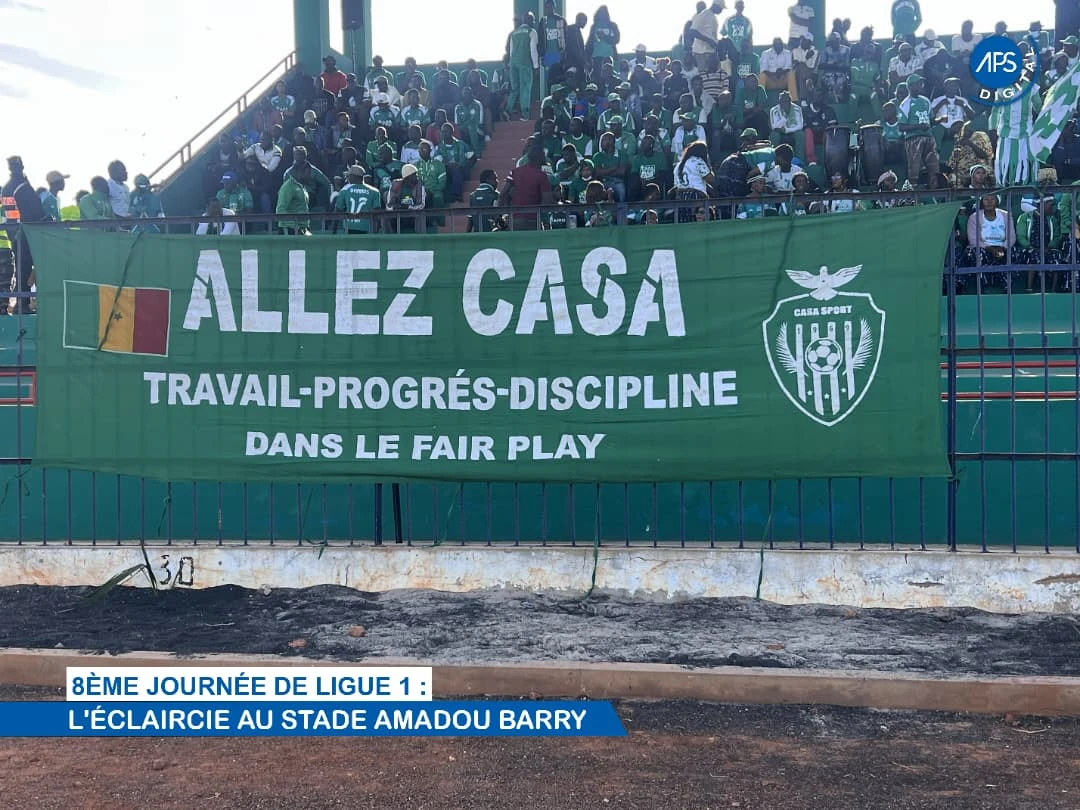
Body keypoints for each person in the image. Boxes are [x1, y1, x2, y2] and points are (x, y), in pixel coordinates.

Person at [1, 156, 45, 312]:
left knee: (25, 268)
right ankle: (22, 303)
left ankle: (24, 302)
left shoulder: (15, 186)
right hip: (23, 234)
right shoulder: (17, 187)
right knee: (24, 268)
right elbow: (25, 212)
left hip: (21, 233)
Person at [898, 74, 938, 187]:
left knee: (934, 168)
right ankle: (913, 195)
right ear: (910, 86)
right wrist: (918, 127)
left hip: (929, 137)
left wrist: (939, 120)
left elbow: (931, 120)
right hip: (913, 139)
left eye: (921, 83)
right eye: (918, 84)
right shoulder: (905, 104)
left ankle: (935, 192)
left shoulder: (926, 100)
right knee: (914, 169)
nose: (921, 86)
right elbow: (901, 127)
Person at [501, 145, 552, 230]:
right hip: (533, 220)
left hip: (515, 220)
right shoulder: (542, 175)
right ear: (539, 157)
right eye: (543, 155)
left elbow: (503, 194)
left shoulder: (514, 172)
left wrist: (501, 215)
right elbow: (547, 201)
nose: (545, 157)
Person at [966, 193, 1016, 267]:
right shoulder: (974, 217)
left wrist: (1002, 247)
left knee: (1014, 254)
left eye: (992, 199)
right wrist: (989, 248)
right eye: (986, 199)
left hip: (1002, 247)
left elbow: (1011, 238)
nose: (989, 202)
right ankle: (981, 278)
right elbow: (973, 240)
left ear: (997, 201)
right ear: (982, 202)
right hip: (983, 248)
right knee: (978, 254)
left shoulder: (1006, 215)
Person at [333, 164, 382, 234]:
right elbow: (377, 214)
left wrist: (334, 231)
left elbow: (337, 210)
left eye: (349, 176)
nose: (348, 179)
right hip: (367, 228)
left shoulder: (345, 189)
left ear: (354, 177)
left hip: (349, 227)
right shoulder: (375, 191)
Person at [508, 13, 540, 121]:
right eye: (533, 21)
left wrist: (512, 63)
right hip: (525, 63)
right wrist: (536, 67)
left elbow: (511, 52)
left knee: (514, 89)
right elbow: (533, 50)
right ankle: (525, 114)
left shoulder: (514, 33)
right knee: (525, 88)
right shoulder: (532, 32)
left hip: (513, 63)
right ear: (530, 21)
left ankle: (507, 110)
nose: (534, 23)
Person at [674, 141, 713, 221]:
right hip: (696, 196)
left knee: (685, 222)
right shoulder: (698, 161)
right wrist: (708, 164)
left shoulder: (678, 165)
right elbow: (710, 178)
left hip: (681, 197)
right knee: (697, 222)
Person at [386, 163, 427, 233]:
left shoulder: (420, 184)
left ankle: (420, 237)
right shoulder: (395, 184)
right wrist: (395, 207)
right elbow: (388, 205)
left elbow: (421, 205)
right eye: (414, 175)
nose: (417, 176)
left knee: (420, 215)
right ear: (407, 177)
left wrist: (408, 207)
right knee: (387, 217)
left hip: (413, 214)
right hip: (399, 214)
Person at [275, 161, 311, 235]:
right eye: (307, 173)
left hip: (303, 229)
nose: (309, 176)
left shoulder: (302, 187)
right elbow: (280, 210)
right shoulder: (288, 187)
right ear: (298, 172)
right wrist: (295, 227)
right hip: (289, 230)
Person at [587, 5, 622, 78]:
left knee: (610, 76)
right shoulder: (594, 26)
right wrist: (587, 56)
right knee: (597, 76)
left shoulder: (612, 25)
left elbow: (617, 39)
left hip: (609, 55)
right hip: (597, 56)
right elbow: (590, 42)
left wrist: (605, 37)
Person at [541, 0, 567, 79]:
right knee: (549, 79)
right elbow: (541, 39)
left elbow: (566, 36)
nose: (549, 9)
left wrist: (565, 54)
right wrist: (542, 56)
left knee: (559, 78)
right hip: (547, 55)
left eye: (551, 7)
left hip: (559, 54)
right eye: (547, 7)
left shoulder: (561, 20)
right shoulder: (543, 21)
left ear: (554, 7)